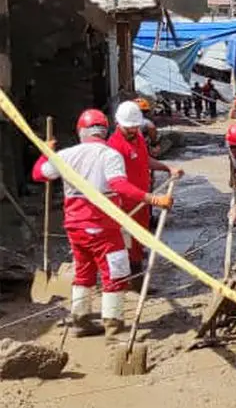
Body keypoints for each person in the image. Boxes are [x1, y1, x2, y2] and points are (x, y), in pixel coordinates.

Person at [31, 109, 174, 337]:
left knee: (84, 271)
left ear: (81, 131)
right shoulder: (109, 155)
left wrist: (45, 153)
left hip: (75, 226)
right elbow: (119, 186)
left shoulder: (67, 155)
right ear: (105, 130)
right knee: (115, 272)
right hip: (103, 226)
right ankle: (113, 324)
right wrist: (152, 198)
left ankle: (81, 319)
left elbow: (39, 174)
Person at [107, 100, 182, 274]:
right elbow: (119, 185)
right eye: (129, 128)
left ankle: (137, 272)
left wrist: (167, 168)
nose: (133, 131)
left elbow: (145, 160)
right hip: (125, 205)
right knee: (126, 244)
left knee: (140, 240)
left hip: (142, 201)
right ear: (118, 123)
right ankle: (131, 282)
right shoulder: (114, 148)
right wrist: (154, 199)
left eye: (135, 127)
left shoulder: (138, 137)